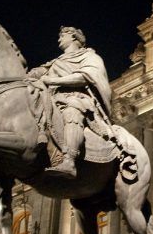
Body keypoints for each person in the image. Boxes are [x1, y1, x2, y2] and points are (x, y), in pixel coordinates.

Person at [27, 26, 112, 178]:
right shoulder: (55, 62)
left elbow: (86, 77)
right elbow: (37, 73)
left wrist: (53, 81)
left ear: (73, 36)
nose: (59, 38)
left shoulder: (90, 57)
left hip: (77, 97)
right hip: (53, 99)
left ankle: (69, 160)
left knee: (72, 109)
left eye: (63, 35)